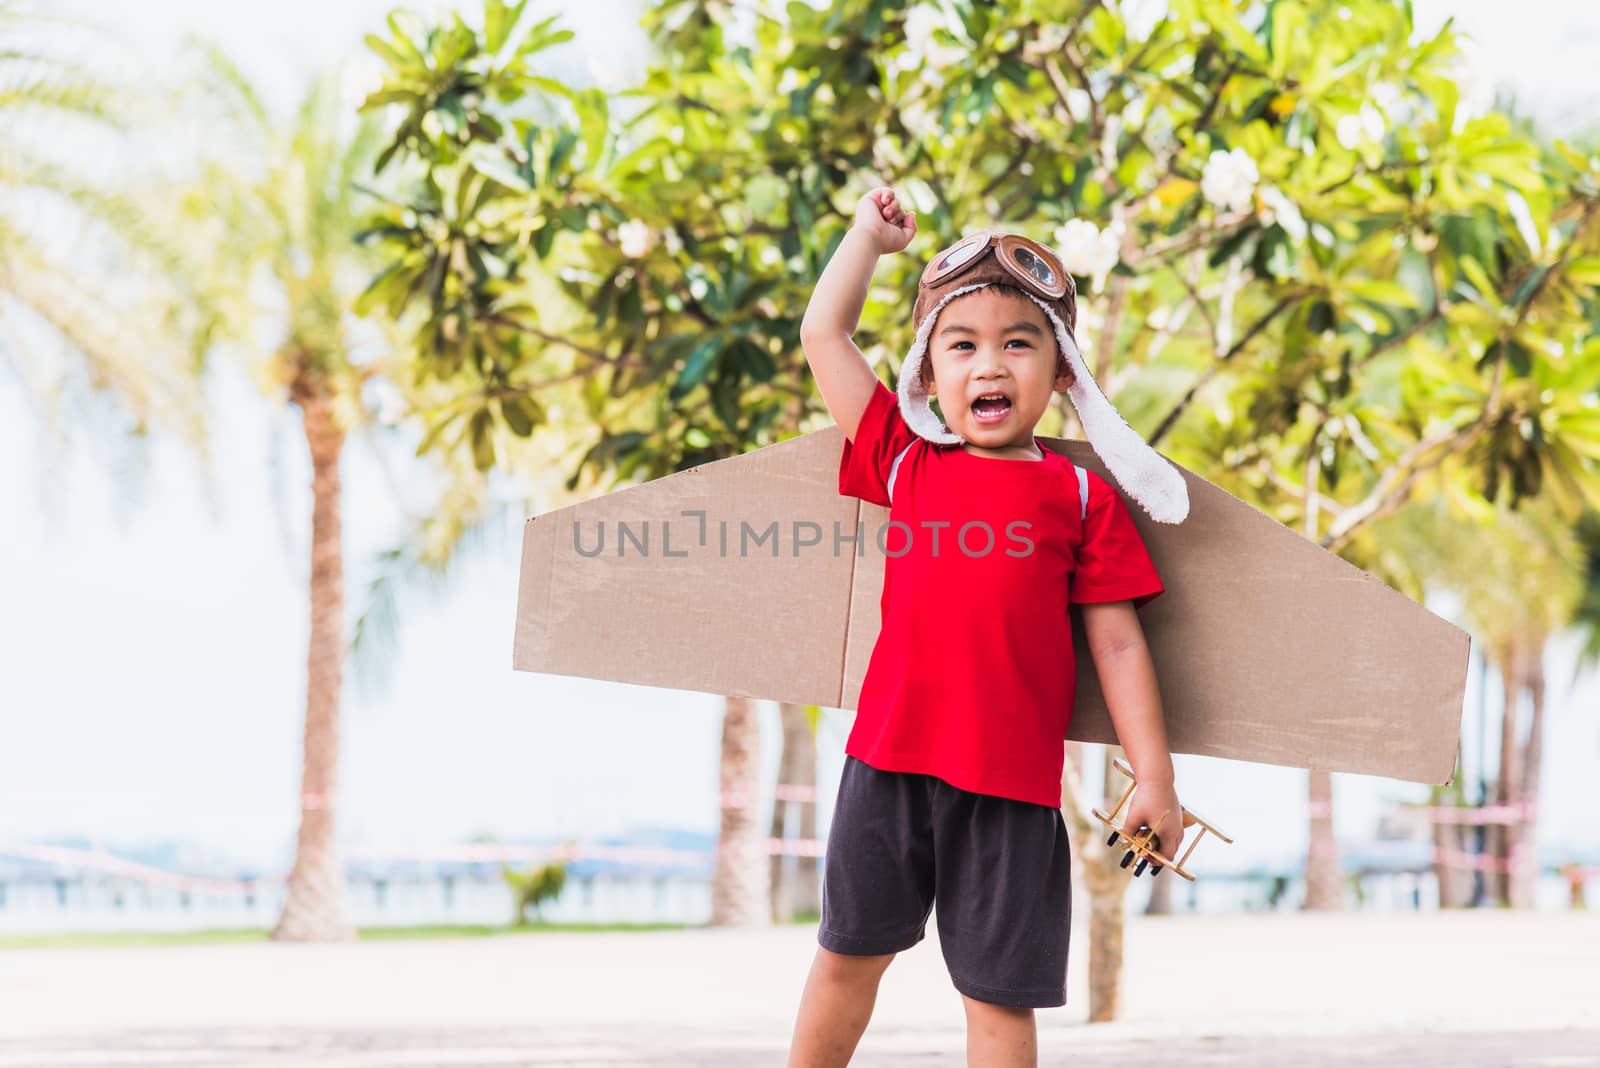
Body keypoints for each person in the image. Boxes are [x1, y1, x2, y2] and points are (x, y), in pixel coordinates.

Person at [788, 187, 1190, 1067]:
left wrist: (1153, 777)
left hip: (1012, 792)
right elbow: (825, 335)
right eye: (961, 347)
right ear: (928, 373)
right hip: (885, 769)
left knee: (1001, 1007)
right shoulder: (904, 460)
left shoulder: (1081, 497)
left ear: (1062, 372)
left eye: (1019, 343)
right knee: (845, 966)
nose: (991, 367)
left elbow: (1119, 643)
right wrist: (866, 239)